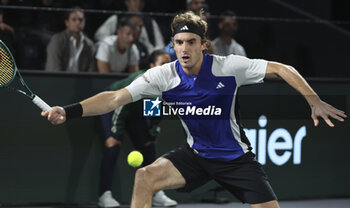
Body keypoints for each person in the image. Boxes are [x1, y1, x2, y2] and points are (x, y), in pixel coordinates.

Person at [42, 11, 347, 208]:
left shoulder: (229, 68)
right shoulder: (164, 75)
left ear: (204, 44)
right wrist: (67, 111)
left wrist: (313, 100)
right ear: (171, 45)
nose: (184, 48)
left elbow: (282, 68)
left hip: (236, 160)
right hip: (196, 156)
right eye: (178, 42)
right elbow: (112, 99)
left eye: (190, 42)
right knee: (145, 177)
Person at [98, 50, 177, 207]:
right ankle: (104, 195)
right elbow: (120, 104)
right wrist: (116, 133)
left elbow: (155, 111)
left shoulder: (167, 85)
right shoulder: (142, 80)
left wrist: (152, 132)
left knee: (148, 146)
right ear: (152, 66)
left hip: (135, 112)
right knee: (112, 145)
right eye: (163, 64)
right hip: (112, 106)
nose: (167, 68)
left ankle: (155, 193)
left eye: (169, 64)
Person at [94, 0, 165, 54]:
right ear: (127, 2)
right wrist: (118, 44)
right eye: (135, 0)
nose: (139, 3)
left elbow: (160, 46)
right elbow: (99, 36)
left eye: (141, 1)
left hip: (147, 59)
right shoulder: (117, 19)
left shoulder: (149, 22)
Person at [45, 7, 96, 72]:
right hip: (59, 80)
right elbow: (53, 68)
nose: (78, 22)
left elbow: (91, 72)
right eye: (74, 20)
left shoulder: (90, 45)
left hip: (81, 81)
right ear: (67, 22)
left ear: (84, 21)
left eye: (80, 20)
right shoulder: (57, 40)